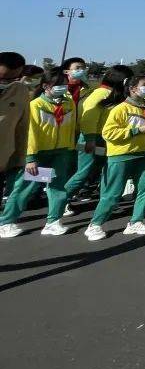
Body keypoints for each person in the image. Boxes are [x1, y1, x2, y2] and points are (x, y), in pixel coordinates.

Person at [0, 68, 77, 237]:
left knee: (57, 187)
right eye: (58, 85)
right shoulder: (35, 106)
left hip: (61, 152)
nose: (63, 88)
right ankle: (6, 222)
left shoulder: (68, 104)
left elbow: (72, 128)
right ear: (45, 86)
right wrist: (30, 158)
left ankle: (53, 221)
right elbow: (30, 134)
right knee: (27, 187)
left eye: (64, 84)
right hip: (39, 154)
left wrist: (70, 148)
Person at [84, 75, 145, 241]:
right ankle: (95, 224)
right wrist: (136, 131)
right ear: (133, 89)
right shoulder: (121, 109)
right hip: (122, 155)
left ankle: (136, 221)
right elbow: (108, 133)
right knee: (113, 192)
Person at [65, 66, 132, 206]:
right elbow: (89, 119)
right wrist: (90, 139)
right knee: (83, 173)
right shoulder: (100, 93)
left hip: (106, 139)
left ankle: (106, 201)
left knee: (106, 171)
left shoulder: (114, 94)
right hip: (91, 138)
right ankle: (61, 199)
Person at [0, 52, 30, 208]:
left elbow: (22, 127)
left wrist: (20, 158)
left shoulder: (20, 91)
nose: (5, 82)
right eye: (2, 78)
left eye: (12, 79)